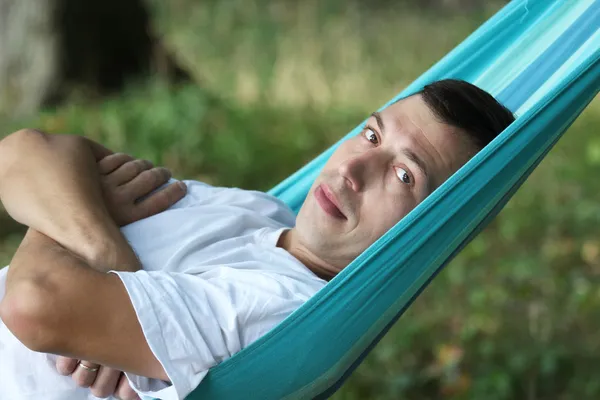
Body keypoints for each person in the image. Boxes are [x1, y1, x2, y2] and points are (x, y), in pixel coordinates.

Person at [0, 79, 515, 400]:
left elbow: (33, 303)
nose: (354, 168)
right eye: (372, 134)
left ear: (425, 235)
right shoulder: (261, 212)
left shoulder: (284, 314)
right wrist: (108, 255)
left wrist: (69, 209)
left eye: (404, 176)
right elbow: (21, 153)